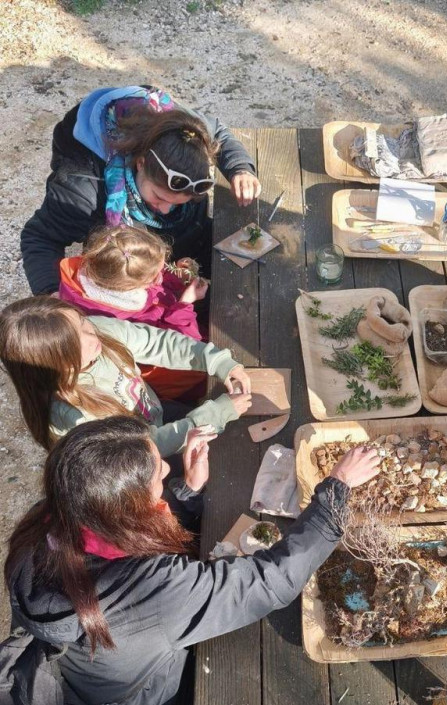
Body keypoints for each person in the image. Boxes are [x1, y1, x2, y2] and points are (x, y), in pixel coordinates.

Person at [4, 416, 381, 705]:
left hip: (85, 688)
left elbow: (126, 542)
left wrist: (184, 493)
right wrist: (336, 490)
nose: (168, 467)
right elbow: (271, 582)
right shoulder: (152, 588)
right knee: (247, 664)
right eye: (157, 477)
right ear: (124, 508)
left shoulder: (47, 521)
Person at [21, 85, 262, 295]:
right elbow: (39, 238)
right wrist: (51, 292)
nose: (166, 210)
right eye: (159, 197)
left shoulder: (178, 131)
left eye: (179, 203)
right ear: (141, 163)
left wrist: (239, 168)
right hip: (130, 263)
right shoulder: (82, 194)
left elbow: (217, 131)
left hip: (187, 243)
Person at [0, 296, 252, 455]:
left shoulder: (97, 331)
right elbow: (140, 449)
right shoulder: (72, 416)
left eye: (82, 322)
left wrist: (218, 361)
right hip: (142, 463)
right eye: (76, 344)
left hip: (155, 415)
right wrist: (216, 414)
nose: (92, 335)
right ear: (53, 362)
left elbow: (159, 344)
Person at [59, 225, 207, 400]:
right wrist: (185, 303)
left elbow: (151, 284)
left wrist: (175, 275)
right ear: (132, 286)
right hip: (167, 373)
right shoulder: (123, 318)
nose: (161, 275)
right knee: (202, 387)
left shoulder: (104, 269)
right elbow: (178, 345)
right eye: (156, 275)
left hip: (172, 330)